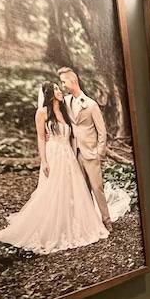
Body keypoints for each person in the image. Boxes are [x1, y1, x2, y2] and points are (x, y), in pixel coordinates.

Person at [0, 82, 109, 254]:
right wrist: (44, 161)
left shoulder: (65, 111)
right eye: (57, 89)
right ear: (49, 94)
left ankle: (72, 221)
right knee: (54, 189)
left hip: (68, 154)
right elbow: (40, 138)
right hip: (54, 154)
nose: (60, 91)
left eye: (60, 89)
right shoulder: (42, 113)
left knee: (72, 189)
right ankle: (54, 225)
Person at [57, 67, 112, 232]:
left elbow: (102, 132)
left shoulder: (91, 104)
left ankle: (106, 220)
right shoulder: (65, 102)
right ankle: (89, 222)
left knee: (97, 187)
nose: (63, 85)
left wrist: (99, 153)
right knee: (82, 188)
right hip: (75, 152)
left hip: (91, 152)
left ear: (72, 81)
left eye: (64, 81)